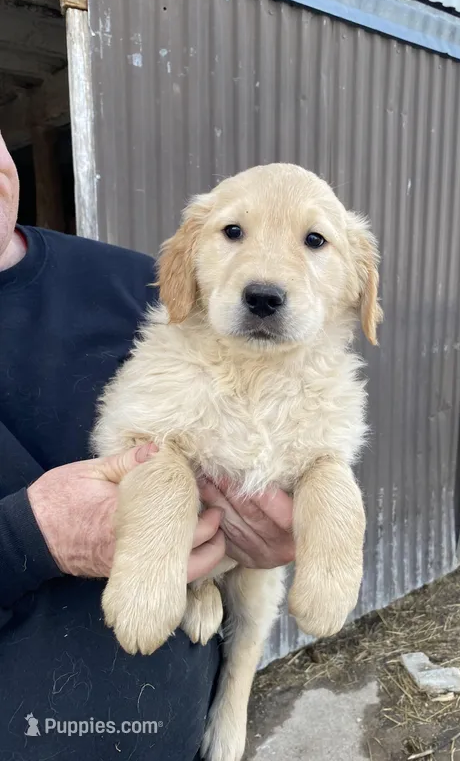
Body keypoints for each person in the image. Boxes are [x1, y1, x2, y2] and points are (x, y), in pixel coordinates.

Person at [0, 129, 295, 760]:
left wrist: (275, 525)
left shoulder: (137, 282)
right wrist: (26, 539)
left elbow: (259, 428)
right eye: (234, 232)